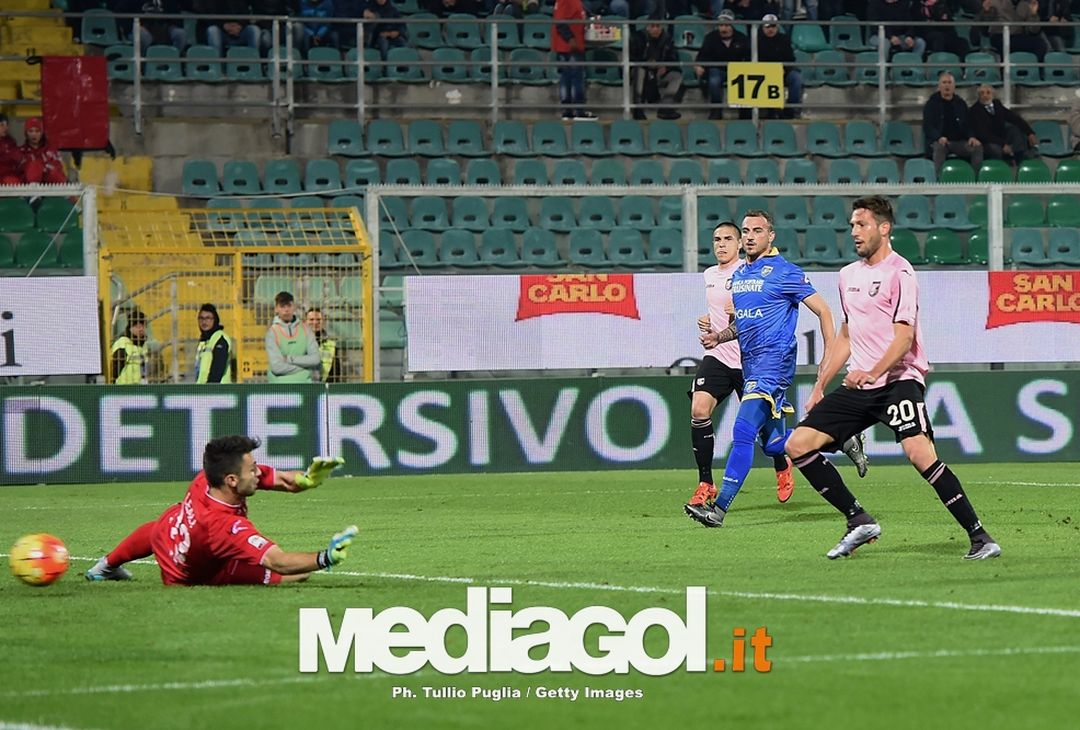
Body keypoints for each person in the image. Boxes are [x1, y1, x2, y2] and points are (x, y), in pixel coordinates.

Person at [784, 196, 1001, 561]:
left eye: (862, 225)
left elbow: (903, 338)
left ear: (884, 228)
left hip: (899, 379)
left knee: (918, 453)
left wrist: (872, 372)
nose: (854, 232)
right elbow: (847, 336)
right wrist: (821, 385)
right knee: (798, 445)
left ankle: (980, 537)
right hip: (861, 384)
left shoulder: (901, 273)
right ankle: (858, 520)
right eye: (852, 225)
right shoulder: (848, 276)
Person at [684, 210, 839, 528]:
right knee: (773, 444)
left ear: (771, 236)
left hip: (774, 364)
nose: (751, 235)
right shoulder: (740, 278)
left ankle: (718, 510)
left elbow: (824, 311)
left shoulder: (786, 272)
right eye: (747, 229)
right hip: (750, 364)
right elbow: (744, 322)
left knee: (741, 432)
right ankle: (838, 435)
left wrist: (829, 356)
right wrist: (719, 336)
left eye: (757, 230)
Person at [85, 435, 353, 584]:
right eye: (252, 469)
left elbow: (281, 479)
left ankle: (105, 566)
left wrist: (306, 479)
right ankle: (110, 567)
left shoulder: (208, 477)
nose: (259, 472)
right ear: (232, 480)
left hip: (169, 536)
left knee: (163, 525)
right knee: (300, 574)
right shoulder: (225, 527)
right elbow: (278, 562)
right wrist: (325, 557)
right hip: (193, 574)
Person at [687, 222, 801, 511]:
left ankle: (781, 464)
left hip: (750, 360)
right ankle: (705, 483)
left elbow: (756, 310)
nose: (721, 245)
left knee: (765, 437)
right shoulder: (710, 275)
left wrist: (737, 315)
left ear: (739, 244)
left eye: (728, 239)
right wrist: (709, 322)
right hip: (719, 356)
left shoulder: (747, 273)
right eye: (716, 239)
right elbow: (720, 313)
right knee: (699, 409)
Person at [922, 72, 983, 175]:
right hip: (940, 142)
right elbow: (928, 127)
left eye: (949, 82)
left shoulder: (960, 103)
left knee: (977, 148)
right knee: (938, 148)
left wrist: (971, 137)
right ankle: (939, 180)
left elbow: (968, 124)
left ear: (954, 86)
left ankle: (975, 180)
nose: (947, 85)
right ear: (939, 86)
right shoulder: (931, 104)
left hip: (959, 142)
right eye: (944, 82)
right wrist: (938, 137)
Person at [695, 10, 750, 120]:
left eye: (726, 25)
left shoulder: (741, 38)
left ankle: (744, 112)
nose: (723, 29)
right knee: (714, 81)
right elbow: (702, 55)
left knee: (744, 80)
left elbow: (748, 56)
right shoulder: (710, 38)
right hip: (717, 68)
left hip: (736, 69)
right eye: (721, 25)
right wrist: (699, 65)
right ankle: (716, 110)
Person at [968, 84, 1039, 164]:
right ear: (978, 96)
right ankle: (1003, 166)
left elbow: (1014, 118)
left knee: (1015, 130)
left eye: (988, 93)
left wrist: (1030, 132)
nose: (985, 95)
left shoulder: (997, 104)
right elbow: (983, 134)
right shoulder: (974, 110)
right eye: (982, 93)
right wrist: (1002, 144)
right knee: (994, 149)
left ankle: (1021, 160)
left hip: (1001, 136)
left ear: (993, 95)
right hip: (987, 141)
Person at [629, 19, 682, 121]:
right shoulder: (638, 37)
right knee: (639, 71)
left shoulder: (667, 39)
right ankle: (638, 109)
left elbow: (674, 59)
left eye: (658, 26)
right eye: (652, 26)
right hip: (641, 70)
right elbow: (632, 57)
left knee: (676, 76)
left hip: (659, 72)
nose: (655, 29)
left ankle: (665, 108)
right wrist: (646, 63)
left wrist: (666, 66)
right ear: (647, 27)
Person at [552, 0, 596, 120]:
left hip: (573, 44)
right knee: (576, 77)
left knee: (567, 76)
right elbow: (560, 22)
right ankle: (578, 111)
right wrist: (570, 39)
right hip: (570, 45)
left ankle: (569, 111)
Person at [265, 290, 322, 383]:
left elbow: (315, 359)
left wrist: (288, 359)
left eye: (289, 306)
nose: (286, 310)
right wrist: (306, 368)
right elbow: (277, 367)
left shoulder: (306, 329)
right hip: (279, 388)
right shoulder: (272, 333)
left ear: (294, 307)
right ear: (276, 309)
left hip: (304, 386)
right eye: (282, 306)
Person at [757, 13, 802, 119]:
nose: (770, 29)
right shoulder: (757, 40)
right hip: (764, 73)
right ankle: (772, 110)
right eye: (767, 27)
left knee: (796, 77)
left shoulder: (784, 39)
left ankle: (791, 109)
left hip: (783, 71)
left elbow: (790, 59)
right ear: (762, 27)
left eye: (773, 26)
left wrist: (783, 69)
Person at [19, 117, 67, 185]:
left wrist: (43, 168)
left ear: (42, 133)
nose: (34, 134)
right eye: (31, 131)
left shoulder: (52, 151)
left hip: (51, 188)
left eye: (37, 131)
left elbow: (58, 170)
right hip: (28, 188)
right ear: (26, 133)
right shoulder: (21, 152)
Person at [193, 303, 233, 384]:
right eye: (201, 318)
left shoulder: (220, 339)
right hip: (203, 392)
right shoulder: (204, 341)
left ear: (215, 320)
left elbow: (217, 370)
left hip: (218, 392)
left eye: (208, 318)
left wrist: (209, 390)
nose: (204, 322)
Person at [305, 307, 344, 383]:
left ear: (323, 321)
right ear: (305, 321)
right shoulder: (298, 342)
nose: (315, 322)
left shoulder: (331, 344)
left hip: (325, 387)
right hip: (303, 387)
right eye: (311, 319)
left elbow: (336, 372)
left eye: (318, 319)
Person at [112, 309, 149, 384]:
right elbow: (114, 371)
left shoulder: (144, 346)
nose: (141, 329)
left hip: (139, 391)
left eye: (143, 326)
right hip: (122, 390)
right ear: (130, 328)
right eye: (138, 326)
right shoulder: (123, 344)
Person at [0, 113, 22, 185]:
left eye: (7, 125)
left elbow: (18, 158)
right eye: (2, 125)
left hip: (13, 176)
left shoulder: (10, 142)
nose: (6, 128)